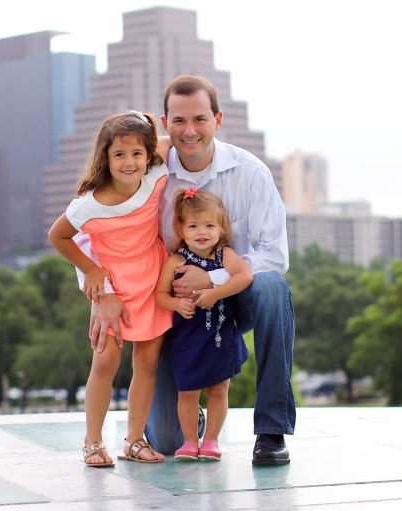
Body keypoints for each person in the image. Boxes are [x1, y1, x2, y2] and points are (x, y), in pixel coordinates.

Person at [89, 75, 295, 465]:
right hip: (172, 312)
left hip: (235, 300)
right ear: (164, 126)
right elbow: (93, 226)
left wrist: (215, 278)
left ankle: (271, 430)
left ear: (218, 120)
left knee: (272, 288)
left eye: (200, 119)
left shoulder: (251, 173)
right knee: (166, 441)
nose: (190, 131)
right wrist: (102, 292)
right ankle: (189, 417)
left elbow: (274, 254)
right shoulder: (146, 169)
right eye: (179, 121)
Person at [48, 110, 172, 467]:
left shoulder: (156, 176)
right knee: (105, 362)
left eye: (137, 154)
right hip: (113, 286)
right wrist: (91, 271)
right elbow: (58, 236)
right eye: (119, 154)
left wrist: (145, 121)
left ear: (148, 155)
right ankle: (92, 441)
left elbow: (166, 140)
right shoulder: (90, 203)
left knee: (147, 363)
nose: (129, 162)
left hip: (152, 279)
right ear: (105, 157)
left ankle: (134, 440)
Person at [155, 188, 252, 461]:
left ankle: (211, 440)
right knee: (187, 392)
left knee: (219, 390)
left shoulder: (225, 255)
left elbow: (244, 276)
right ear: (181, 229)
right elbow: (160, 296)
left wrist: (214, 292)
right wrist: (175, 304)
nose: (202, 232)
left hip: (221, 334)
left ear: (221, 229)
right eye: (194, 225)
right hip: (188, 339)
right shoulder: (176, 261)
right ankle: (189, 441)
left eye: (210, 225)